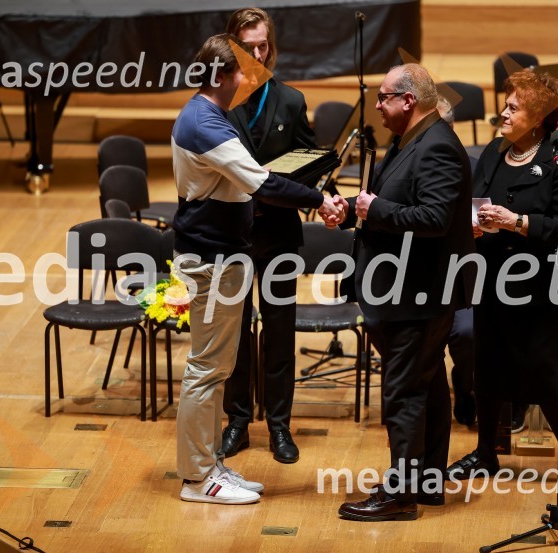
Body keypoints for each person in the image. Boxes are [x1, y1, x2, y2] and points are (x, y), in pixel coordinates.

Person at [171, 34, 337, 504]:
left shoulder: (203, 113)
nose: (250, 77)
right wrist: (321, 199)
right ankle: (199, 478)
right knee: (206, 371)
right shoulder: (206, 123)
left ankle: (208, 467)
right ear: (222, 76)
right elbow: (261, 182)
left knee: (214, 368)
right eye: (242, 69)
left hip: (217, 254)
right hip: (213, 259)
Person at [326, 63, 475, 521]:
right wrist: (351, 210)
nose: (376, 106)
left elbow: (434, 219)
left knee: (404, 392)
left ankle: (401, 494)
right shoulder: (411, 140)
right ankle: (427, 482)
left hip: (417, 295)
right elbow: (394, 204)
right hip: (407, 291)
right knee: (426, 386)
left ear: (408, 101)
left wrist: (374, 208)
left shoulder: (438, 149)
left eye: (384, 98)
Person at [445, 69, 558, 493]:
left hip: (538, 283)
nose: (504, 112)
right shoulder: (494, 151)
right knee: (488, 368)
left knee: (546, 373)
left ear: (538, 117)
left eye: (514, 107)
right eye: (506, 104)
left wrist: (518, 222)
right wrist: (474, 223)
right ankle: (486, 452)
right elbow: (477, 201)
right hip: (493, 277)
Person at [220, 7, 318, 464]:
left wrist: (321, 193)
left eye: (263, 45)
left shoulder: (291, 101)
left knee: (279, 334)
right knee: (236, 335)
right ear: (232, 47)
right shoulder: (217, 101)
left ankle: (280, 426)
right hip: (231, 236)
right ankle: (237, 422)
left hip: (278, 235)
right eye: (248, 46)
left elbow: (307, 166)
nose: (257, 53)